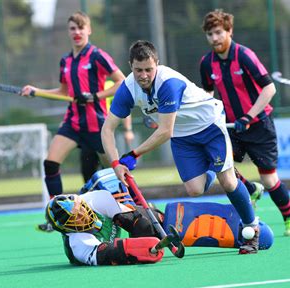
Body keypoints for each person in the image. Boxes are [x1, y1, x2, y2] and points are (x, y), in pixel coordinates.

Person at [101, 40, 261, 254]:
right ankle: (219, 165)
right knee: (194, 189)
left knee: (228, 182)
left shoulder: (168, 83)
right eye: (138, 70)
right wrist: (115, 164)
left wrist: (133, 154)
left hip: (209, 124)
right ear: (130, 66)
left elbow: (165, 131)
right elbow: (107, 129)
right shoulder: (127, 89)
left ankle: (252, 228)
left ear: (157, 64)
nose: (144, 75)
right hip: (182, 134)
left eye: (149, 69)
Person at [199, 9, 290, 236]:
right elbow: (207, 95)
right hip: (231, 127)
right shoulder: (207, 63)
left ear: (229, 31)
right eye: (209, 34)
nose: (214, 38)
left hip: (259, 124)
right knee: (220, 166)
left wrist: (248, 116)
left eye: (218, 32)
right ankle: (249, 188)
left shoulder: (244, 55)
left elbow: (269, 88)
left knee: (268, 178)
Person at [20, 11, 132, 197]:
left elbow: (123, 82)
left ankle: (132, 206)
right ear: (68, 32)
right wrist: (36, 91)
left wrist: (95, 96)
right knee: (50, 163)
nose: (77, 32)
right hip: (73, 123)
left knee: (115, 170)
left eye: (81, 27)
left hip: (97, 124)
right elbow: (64, 92)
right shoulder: (66, 61)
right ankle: (57, 211)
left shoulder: (98, 56)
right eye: (73, 28)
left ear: (89, 30)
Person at [36, 190, 165, 266]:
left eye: (81, 208)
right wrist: (141, 248)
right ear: (66, 230)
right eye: (74, 218)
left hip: (111, 211)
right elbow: (110, 253)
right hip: (99, 251)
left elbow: (134, 221)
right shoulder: (78, 244)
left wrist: (149, 227)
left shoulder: (95, 199)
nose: (83, 216)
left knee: (145, 224)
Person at [79, 80, 134, 182]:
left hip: (105, 131)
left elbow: (123, 108)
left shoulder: (110, 86)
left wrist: (128, 130)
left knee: (112, 169)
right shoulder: (84, 85)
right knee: (87, 170)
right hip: (88, 133)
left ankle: (125, 192)